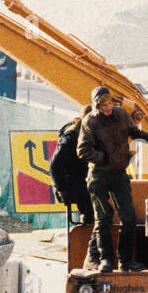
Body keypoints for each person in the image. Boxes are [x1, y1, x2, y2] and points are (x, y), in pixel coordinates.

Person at [77, 86, 148, 273]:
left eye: (110, 103)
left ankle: (125, 261)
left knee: (129, 218)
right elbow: (82, 150)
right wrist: (104, 158)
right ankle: (106, 260)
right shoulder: (90, 121)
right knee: (103, 219)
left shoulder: (121, 115)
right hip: (99, 176)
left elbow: (135, 133)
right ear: (97, 106)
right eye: (104, 105)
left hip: (119, 175)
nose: (108, 107)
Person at [50, 105, 99, 267]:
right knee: (100, 214)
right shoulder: (72, 136)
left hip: (86, 179)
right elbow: (55, 165)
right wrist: (62, 189)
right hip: (75, 184)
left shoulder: (90, 133)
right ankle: (93, 255)